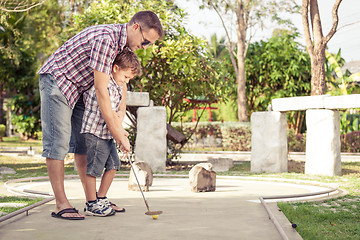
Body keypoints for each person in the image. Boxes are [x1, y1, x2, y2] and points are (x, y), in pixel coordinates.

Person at [38, 11, 164, 220]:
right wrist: (116, 132)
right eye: (145, 42)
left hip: (80, 89)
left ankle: (93, 200)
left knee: (82, 144)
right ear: (135, 27)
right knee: (57, 142)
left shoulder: (123, 46)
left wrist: (119, 122)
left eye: (148, 45)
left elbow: (120, 86)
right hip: (58, 81)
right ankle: (61, 203)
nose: (144, 48)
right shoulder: (106, 39)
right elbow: (101, 88)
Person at [82, 48, 141, 216]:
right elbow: (109, 114)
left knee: (114, 164)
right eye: (125, 77)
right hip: (95, 132)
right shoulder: (105, 85)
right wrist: (122, 135)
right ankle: (91, 203)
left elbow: (117, 113)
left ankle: (101, 198)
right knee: (94, 169)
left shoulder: (118, 86)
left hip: (107, 133)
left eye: (129, 78)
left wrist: (119, 131)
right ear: (115, 68)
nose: (126, 81)